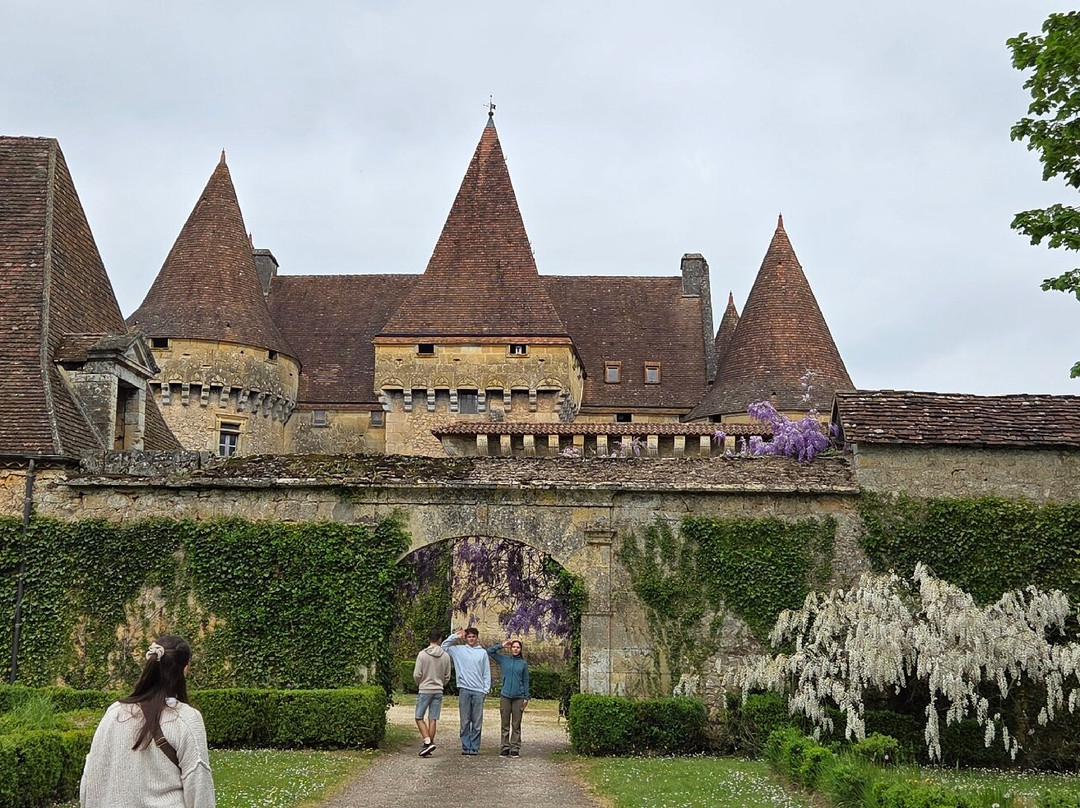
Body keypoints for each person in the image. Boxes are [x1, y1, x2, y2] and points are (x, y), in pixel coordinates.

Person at [80, 634, 215, 808]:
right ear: (184, 669)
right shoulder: (185, 718)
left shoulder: (115, 712)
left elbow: (91, 776)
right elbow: (199, 784)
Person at [441, 627, 491, 755]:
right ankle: (465, 746)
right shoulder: (459, 650)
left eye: (473, 636)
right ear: (466, 638)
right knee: (464, 720)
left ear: (477, 638)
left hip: (478, 690)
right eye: (469, 637)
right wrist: (456, 636)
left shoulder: (482, 653)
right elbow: (444, 646)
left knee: (477, 721)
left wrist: (486, 689)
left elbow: (486, 672)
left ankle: (474, 747)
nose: (471, 639)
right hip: (464, 688)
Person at [487, 639, 530, 757]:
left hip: (519, 696)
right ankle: (505, 747)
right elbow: (489, 652)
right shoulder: (504, 660)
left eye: (518, 647)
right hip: (505, 695)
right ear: (511, 649)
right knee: (504, 722)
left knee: (516, 723)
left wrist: (526, 697)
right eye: (514, 647)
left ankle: (515, 747)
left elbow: (526, 681)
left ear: (520, 650)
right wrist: (501, 645)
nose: (516, 649)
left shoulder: (523, 664)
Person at [413, 629, 452, 757]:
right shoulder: (445, 656)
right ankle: (428, 744)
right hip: (438, 689)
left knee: (419, 716)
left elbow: (417, 674)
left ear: (429, 639)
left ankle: (427, 741)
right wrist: (441, 683)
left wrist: (420, 683)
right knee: (433, 718)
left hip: (425, 689)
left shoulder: (423, 655)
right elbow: (447, 675)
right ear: (440, 639)